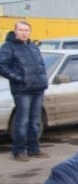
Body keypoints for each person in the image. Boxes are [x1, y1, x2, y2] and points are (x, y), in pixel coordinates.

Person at [0, 20, 49, 161]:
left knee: (35, 122)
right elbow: (2, 66)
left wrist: (43, 79)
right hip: (22, 90)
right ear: (15, 31)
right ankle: (19, 151)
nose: (24, 33)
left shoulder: (33, 46)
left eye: (26, 30)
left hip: (38, 88)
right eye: (21, 30)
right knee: (22, 122)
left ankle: (34, 149)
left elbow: (41, 64)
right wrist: (19, 78)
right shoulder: (8, 47)